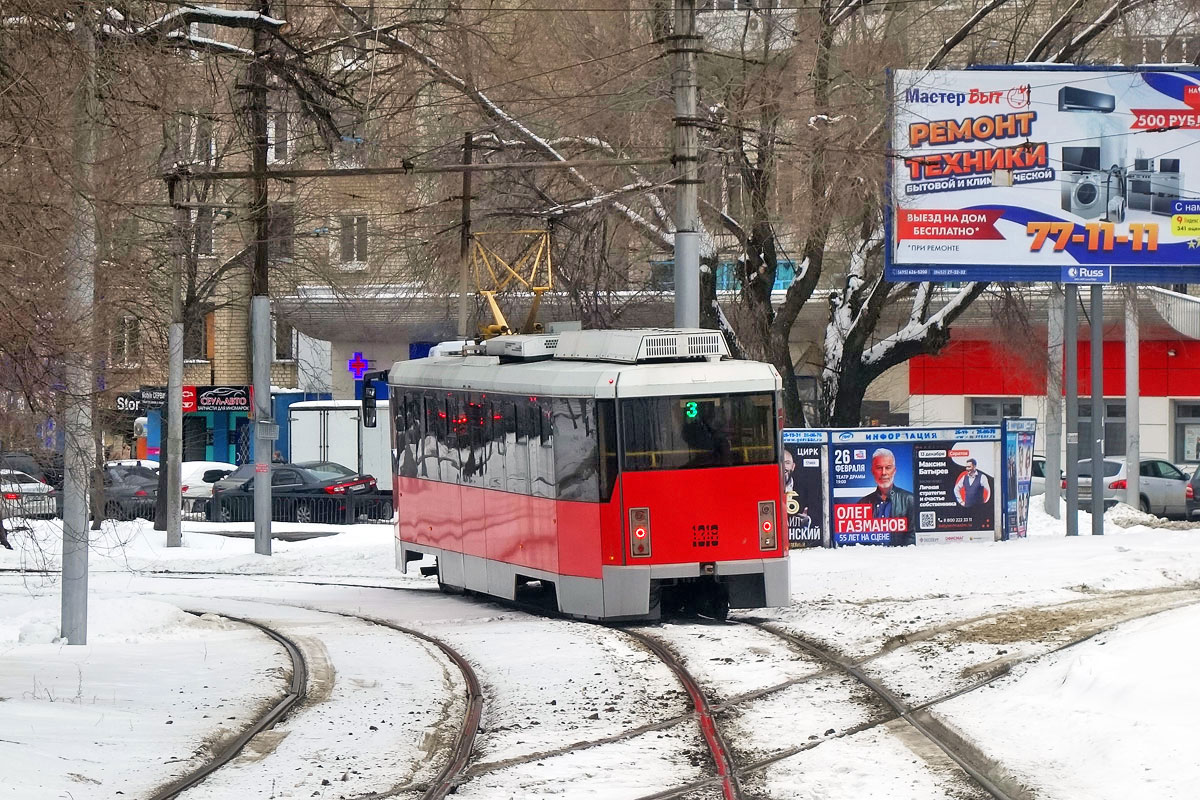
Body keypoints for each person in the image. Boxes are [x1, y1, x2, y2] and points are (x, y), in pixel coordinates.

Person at [858, 447, 916, 545]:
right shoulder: (862, 503)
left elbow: (912, 537)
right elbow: (858, 538)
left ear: (894, 470)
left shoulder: (910, 500)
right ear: (872, 471)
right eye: (879, 468)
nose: (884, 473)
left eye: (888, 467)